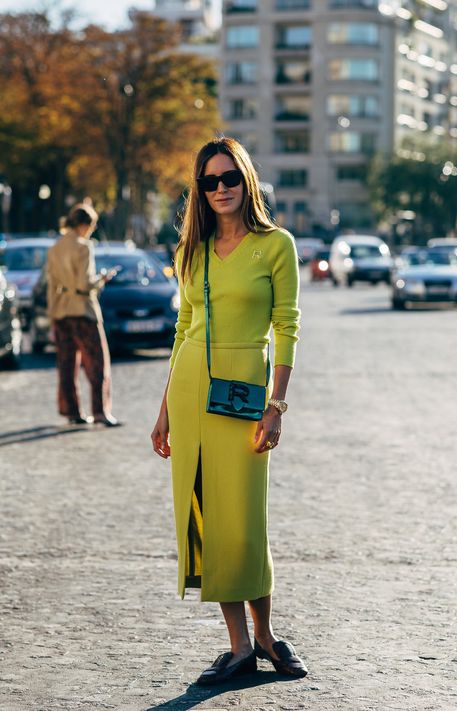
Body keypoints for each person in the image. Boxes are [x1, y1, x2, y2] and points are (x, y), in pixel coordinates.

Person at [151, 137, 307, 685]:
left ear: (247, 182)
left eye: (229, 179)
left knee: (244, 523)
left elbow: (287, 326)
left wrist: (277, 405)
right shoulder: (190, 251)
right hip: (192, 392)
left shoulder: (276, 245)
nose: (221, 189)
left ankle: (266, 635)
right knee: (207, 518)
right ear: (200, 190)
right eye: (209, 182)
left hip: (245, 396)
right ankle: (239, 646)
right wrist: (164, 409)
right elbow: (182, 331)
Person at [47, 203, 120, 427]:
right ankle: (100, 412)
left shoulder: (55, 247)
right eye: (93, 226)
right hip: (83, 310)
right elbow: (84, 283)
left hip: (61, 311)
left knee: (67, 365)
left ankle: (72, 411)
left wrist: (52, 315)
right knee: (97, 362)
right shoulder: (84, 246)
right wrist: (102, 279)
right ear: (86, 225)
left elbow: (51, 285)